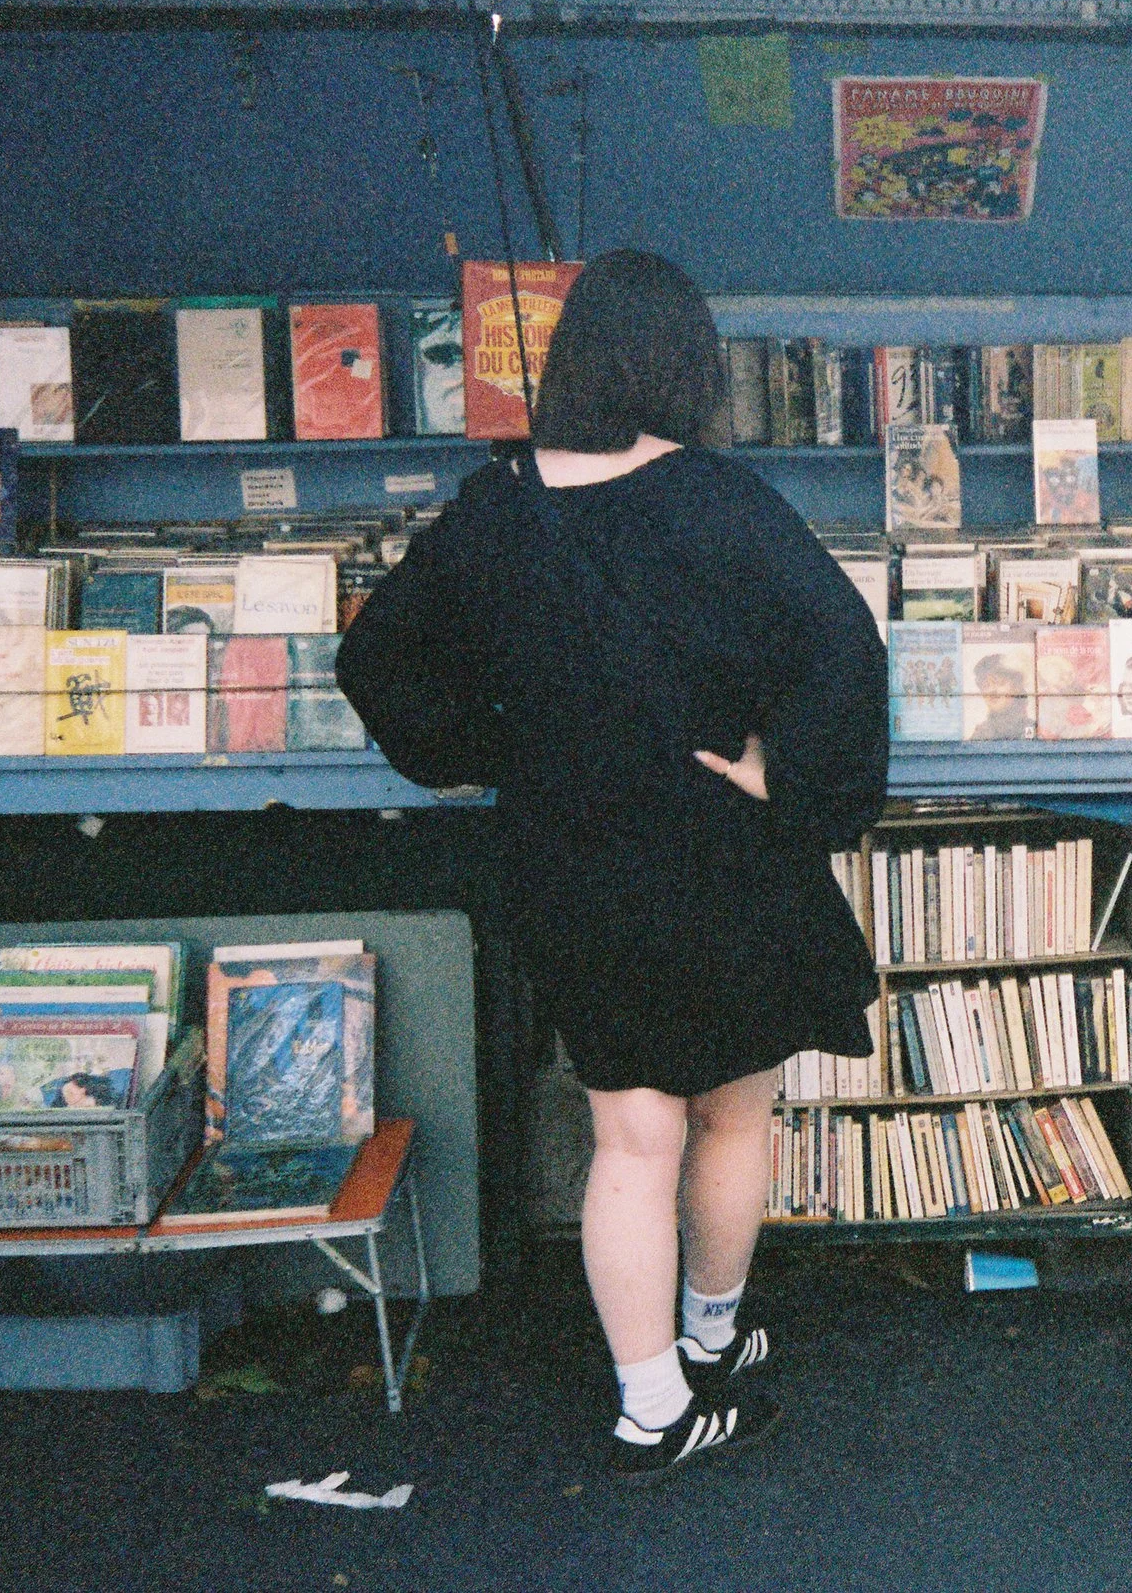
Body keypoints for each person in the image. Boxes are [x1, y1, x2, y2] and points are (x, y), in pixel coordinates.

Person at [336, 250, 888, 1486]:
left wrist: (487, 751)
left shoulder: (497, 508)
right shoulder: (723, 500)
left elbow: (375, 663)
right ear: (686, 366)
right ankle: (715, 1334)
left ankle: (653, 1403)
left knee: (628, 1138)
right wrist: (784, 777)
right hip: (716, 849)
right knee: (735, 1111)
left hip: (572, 853)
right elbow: (843, 646)